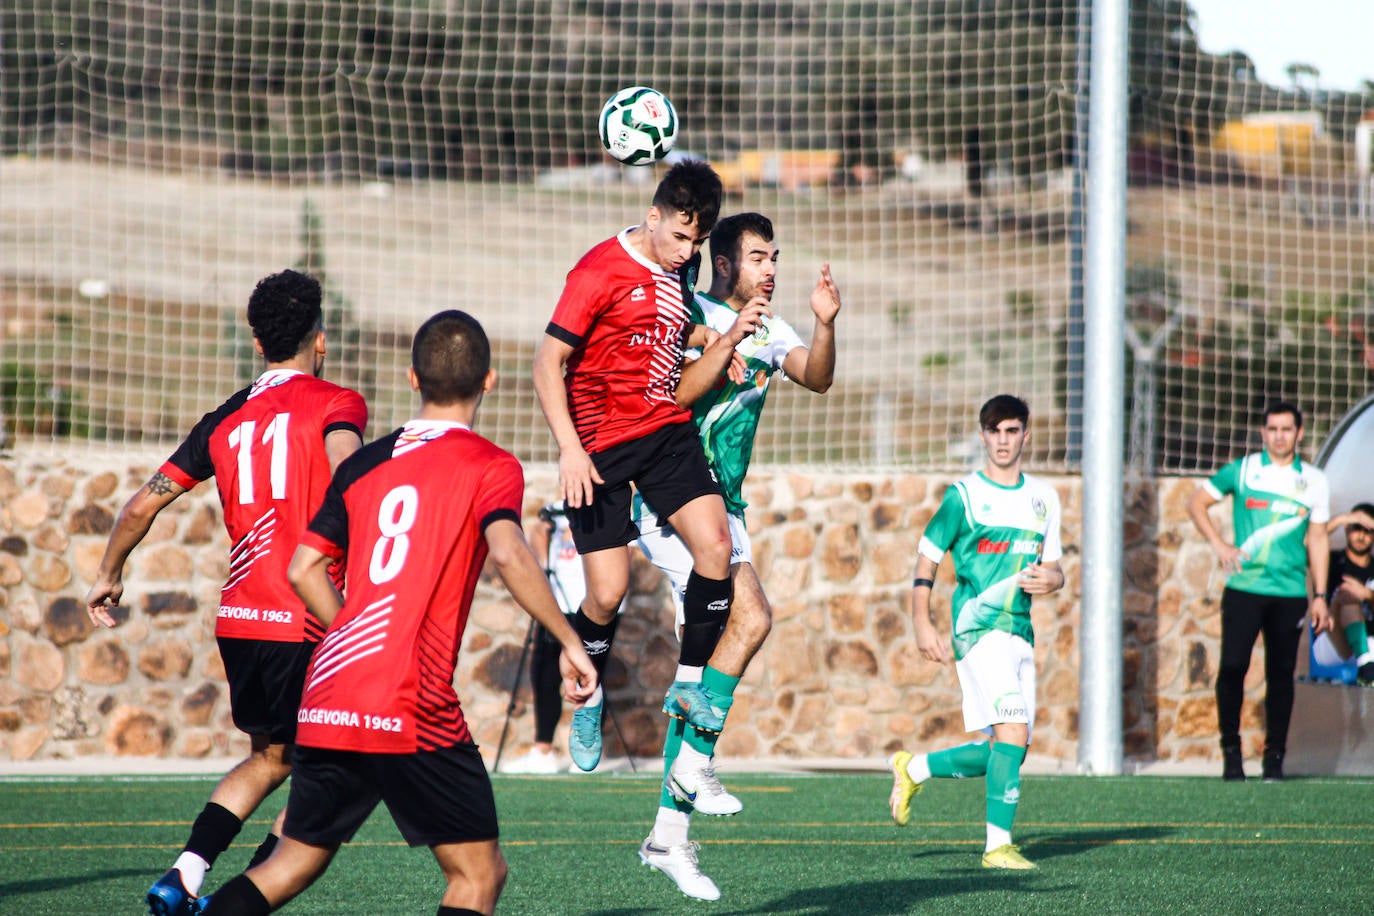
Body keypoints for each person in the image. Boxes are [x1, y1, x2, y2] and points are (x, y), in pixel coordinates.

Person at [200, 310, 598, 915]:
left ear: (413, 379)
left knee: (292, 863)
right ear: (489, 382)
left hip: (330, 690)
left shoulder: (364, 463)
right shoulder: (490, 466)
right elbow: (511, 553)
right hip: (411, 699)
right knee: (478, 875)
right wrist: (570, 640)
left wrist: (353, 635)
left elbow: (304, 568)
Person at [83, 269, 368, 916]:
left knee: (271, 757)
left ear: (254, 338)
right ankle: (242, 900)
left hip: (240, 619)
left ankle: (183, 875)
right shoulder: (336, 401)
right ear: (319, 340)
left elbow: (140, 505)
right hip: (306, 619)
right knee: (330, 771)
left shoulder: (224, 418)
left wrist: (109, 573)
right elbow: (352, 469)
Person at [632, 212, 840, 900]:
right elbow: (679, 394)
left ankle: (674, 816)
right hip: (677, 498)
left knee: (738, 630)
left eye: (775, 256)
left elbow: (815, 376)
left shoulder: (769, 325)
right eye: (759, 257)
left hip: (725, 508)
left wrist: (825, 323)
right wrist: (728, 338)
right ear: (724, 263)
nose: (772, 268)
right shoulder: (689, 314)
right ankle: (693, 768)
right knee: (749, 620)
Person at [531, 159, 739, 785]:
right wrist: (569, 450)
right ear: (652, 217)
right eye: (678, 236)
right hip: (596, 448)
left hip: (663, 431)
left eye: (696, 242)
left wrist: (706, 341)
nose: (686, 251)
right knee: (606, 593)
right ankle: (588, 700)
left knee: (717, 548)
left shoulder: (680, 268)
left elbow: (668, 326)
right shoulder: (597, 271)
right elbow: (547, 364)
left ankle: (688, 684)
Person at [887, 394, 1063, 872]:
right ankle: (997, 847)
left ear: (1026, 434)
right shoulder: (963, 496)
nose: (1002, 440)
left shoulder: (1044, 499)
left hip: (1020, 632)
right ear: (982, 435)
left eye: (1011, 431)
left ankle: (915, 768)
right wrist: (922, 622)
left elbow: (1055, 568)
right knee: (1012, 729)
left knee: (1011, 748)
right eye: (993, 430)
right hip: (975, 630)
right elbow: (927, 560)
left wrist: (1054, 579)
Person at [1187, 401, 1331, 782]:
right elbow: (1197, 503)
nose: (1279, 436)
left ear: (1299, 434)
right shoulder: (1243, 470)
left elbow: (1317, 538)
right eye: (1272, 429)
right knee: (1233, 667)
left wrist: (1320, 595)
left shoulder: (1314, 481)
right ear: (1263, 432)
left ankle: (1274, 760)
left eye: (1287, 429)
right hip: (1244, 588)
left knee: (1281, 674)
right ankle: (1231, 756)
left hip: (1289, 594)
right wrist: (1219, 545)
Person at [501, 502, 627, 775]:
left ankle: (588, 750)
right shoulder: (556, 508)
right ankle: (543, 749)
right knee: (543, 672)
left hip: (594, 603)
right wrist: (542, 532)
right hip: (558, 602)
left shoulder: (612, 500)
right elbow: (537, 548)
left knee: (592, 674)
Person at [1310, 504, 1374, 684]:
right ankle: (1365, 664)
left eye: (1368, 530)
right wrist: (1341, 519)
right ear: (1347, 528)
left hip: (1369, 643)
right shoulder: (1329, 560)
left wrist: (1367, 595)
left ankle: (1365, 663)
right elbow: (1309, 544)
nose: (1361, 536)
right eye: (1356, 528)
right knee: (1347, 593)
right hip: (1333, 642)